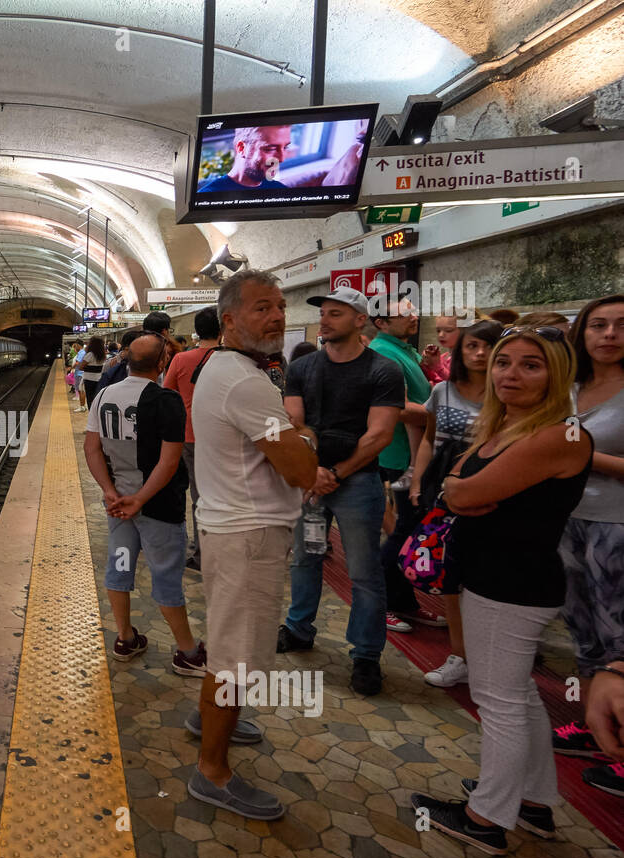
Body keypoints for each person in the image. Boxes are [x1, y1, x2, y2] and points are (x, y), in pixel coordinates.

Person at [412, 325, 593, 855]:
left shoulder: (558, 435)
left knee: (499, 701)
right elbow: (458, 478)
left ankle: (486, 817)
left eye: (530, 365)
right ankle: (533, 801)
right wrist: (458, 490)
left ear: (556, 374)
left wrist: (459, 491)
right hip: (501, 574)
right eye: (503, 362)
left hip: (513, 582)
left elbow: (465, 486)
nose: (511, 373)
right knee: (517, 696)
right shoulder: (512, 424)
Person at [188, 270, 317, 820]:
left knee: (227, 646)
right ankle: (211, 772)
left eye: (280, 307)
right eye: (262, 308)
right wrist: (304, 440)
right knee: (235, 660)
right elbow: (300, 470)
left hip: (229, 527)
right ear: (230, 319)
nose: (277, 317)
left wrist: (292, 436)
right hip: (249, 534)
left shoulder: (222, 368)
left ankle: (206, 721)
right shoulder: (246, 382)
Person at [278, 287, 404, 695]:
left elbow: (380, 434)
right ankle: (299, 628)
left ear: (359, 320)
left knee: (364, 573)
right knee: (305, 558)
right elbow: (294, 423)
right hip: (310, 479)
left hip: (359, 482)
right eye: (324, 313)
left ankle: (366, 656)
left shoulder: (382, 371)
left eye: (336, 313)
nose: (326, 320)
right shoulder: (303, 368)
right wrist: (311, 471)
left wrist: (333, 471)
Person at [85, 334, 205, 678]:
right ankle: (187, 652)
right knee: (165, 573)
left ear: (126, 361)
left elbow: (91, 449)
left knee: (119, 566)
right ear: (162, 363)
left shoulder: (104, 394)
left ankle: (124, 638)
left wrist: (110, 491)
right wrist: (140, 498)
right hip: (156, 507)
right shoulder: (166, 400)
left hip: (119, 506)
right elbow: (168, 463)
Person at [551, 294, 624, 798]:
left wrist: (585, 457)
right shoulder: (569, 388)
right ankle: (595, 722)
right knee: (581, 625)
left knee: (620, 634)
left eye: (621, 325)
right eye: (598, 325)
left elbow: (568, 452)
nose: (609, 334)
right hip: (566, 518)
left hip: (616, 523)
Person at [409, 320, 503, 687]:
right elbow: (431, 439)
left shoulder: (510, 393)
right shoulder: (444, 391)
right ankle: (460, 655)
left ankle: (493, 655)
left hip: (494, 495)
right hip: (445, 492)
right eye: (473, 346)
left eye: (488, 347)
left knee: (487, 579)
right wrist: (417, 479)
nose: (480, 354)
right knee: (449, 577)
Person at [369, 296, 444, 633]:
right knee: (406, 529)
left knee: (412, 528)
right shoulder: (384, 353)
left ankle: (402, 600)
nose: (412, 317)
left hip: (418, 453)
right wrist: (441, 411)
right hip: (403, 455)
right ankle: (380, 601)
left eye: (412, 311)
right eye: (403, 314)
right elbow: (395, 407)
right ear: (380, 323)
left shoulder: (402, 348)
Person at [163, 307, 221, 572]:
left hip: (192, 436)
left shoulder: (182, 360)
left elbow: (168, 394)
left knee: (199, 496)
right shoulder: (232, 359)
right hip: (227, 438)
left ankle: (202, 553)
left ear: (197, 331)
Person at [197, 126, 293, 192]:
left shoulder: (281, 190)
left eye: (285, 147)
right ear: (241, 148)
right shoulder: (208, 196)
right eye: (270, 149)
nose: (282, 159)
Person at [421, 313, 461, 385]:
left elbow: (461, 385)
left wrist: (438, 367)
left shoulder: (465, 358)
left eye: (448, 330)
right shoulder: (443, 357)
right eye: (438, 330)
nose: (441, 335)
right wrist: (427, 365)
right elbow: (436, 378)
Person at [79, 336, 107, 409]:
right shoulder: (103, 355)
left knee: (90, 398)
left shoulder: (90, 354)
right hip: (99, 379)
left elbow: (81, 367)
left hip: (89, 379)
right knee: (97, 398)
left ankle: (91, 415)